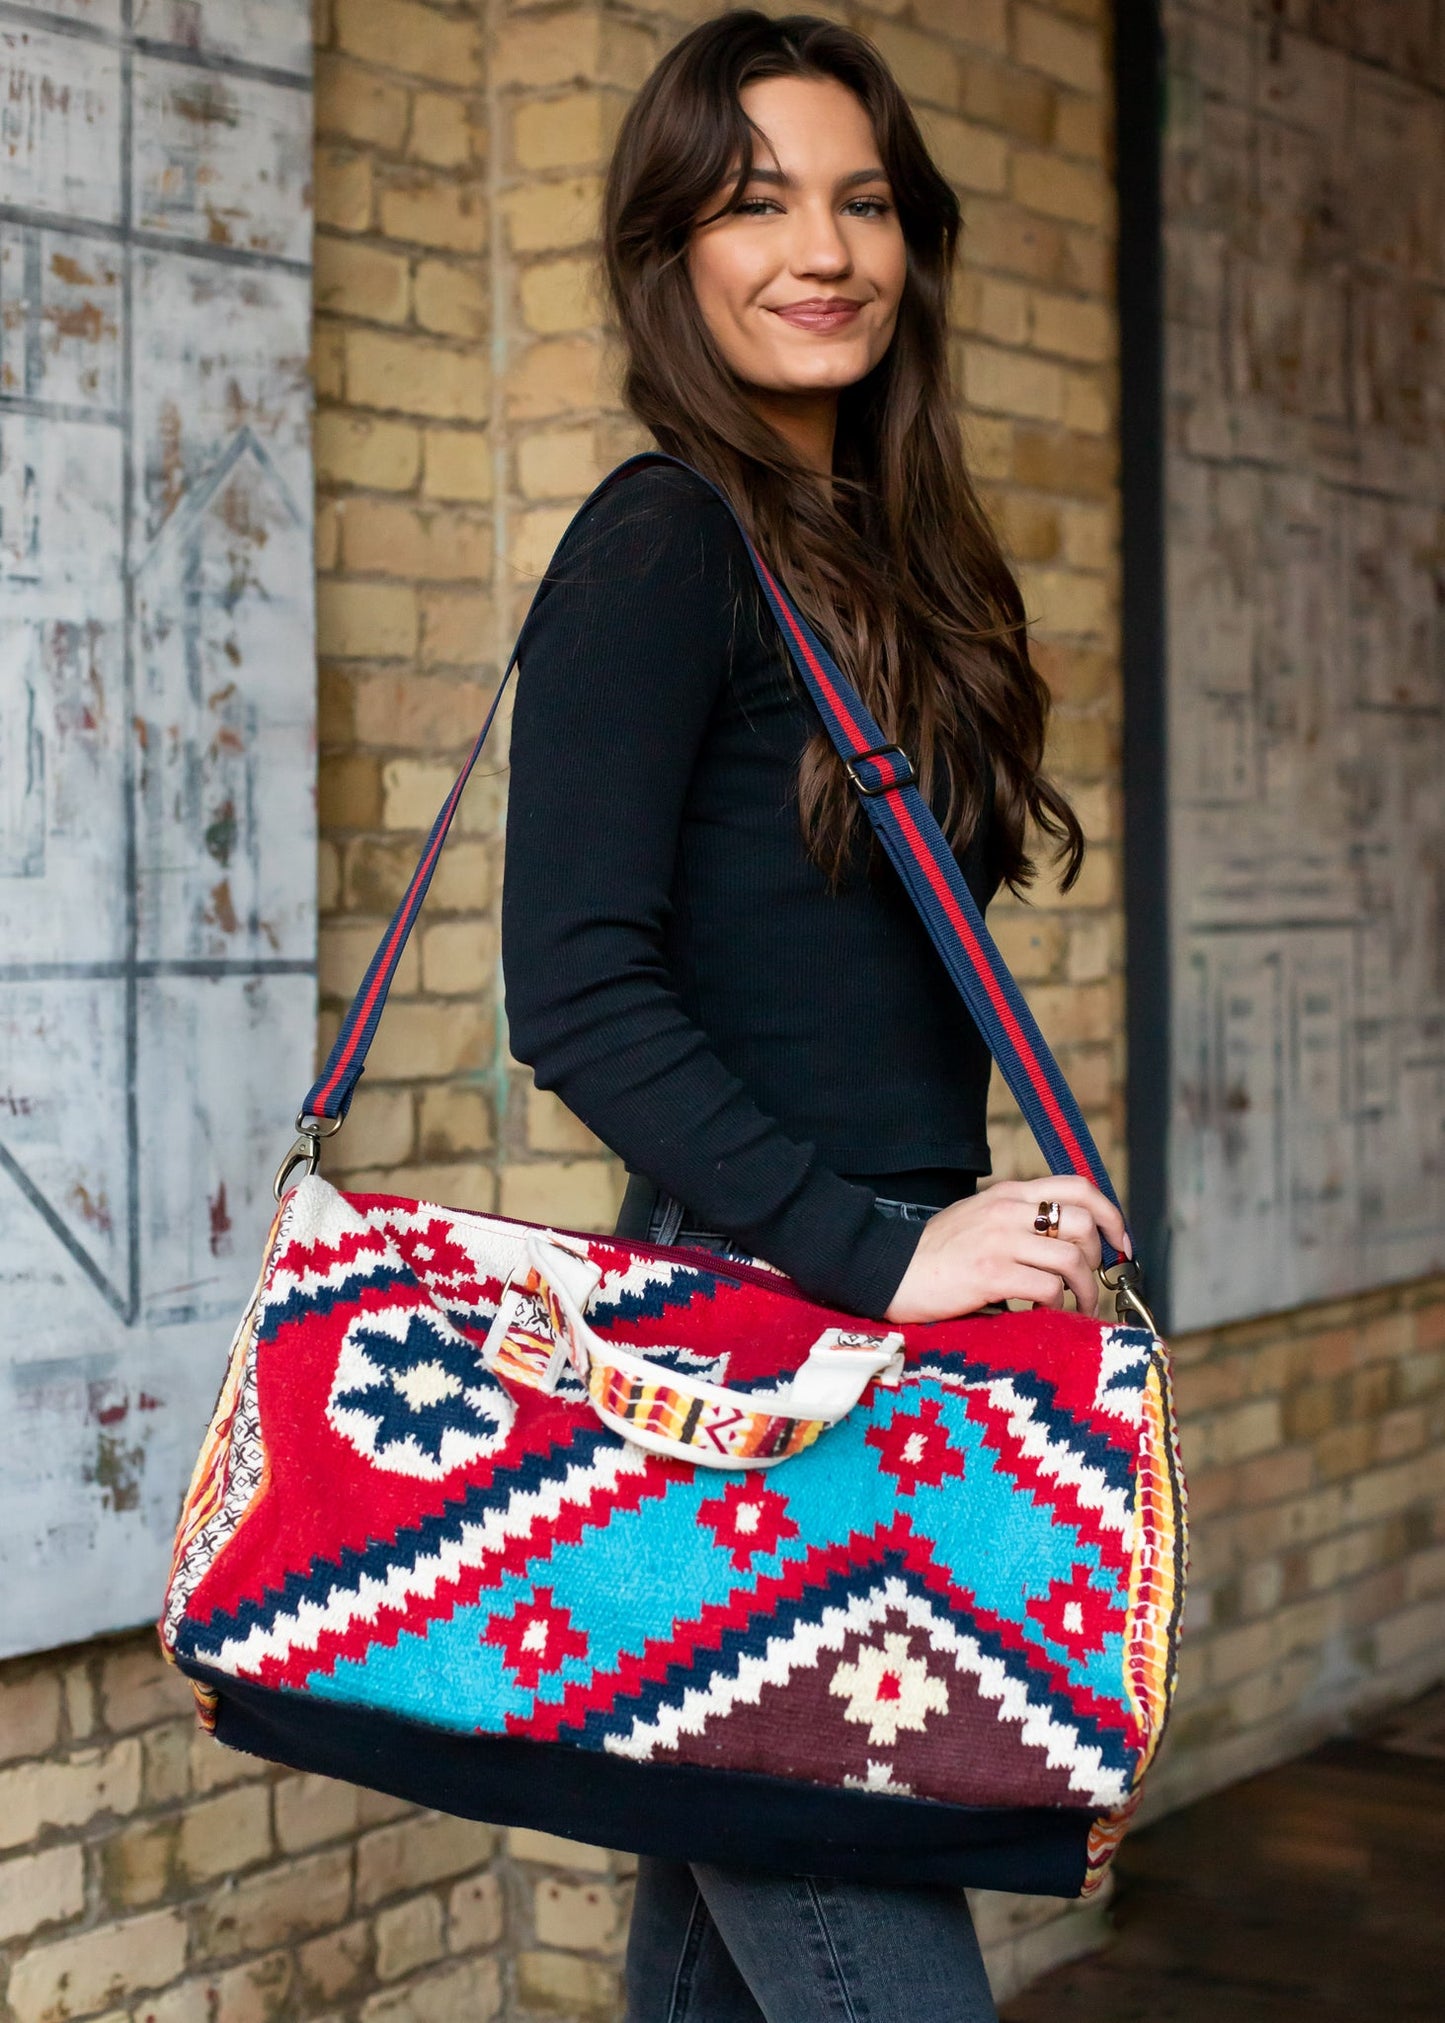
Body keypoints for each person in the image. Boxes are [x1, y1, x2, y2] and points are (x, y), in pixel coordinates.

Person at [502, 13, 1129, 2019]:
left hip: (863, 1319)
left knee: (723, 1959)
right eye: (757, 199)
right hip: (758, 1330)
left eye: (861, 199)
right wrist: (885, 1237)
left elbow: (849, 994)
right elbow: (574, 989)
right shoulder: (661, 535)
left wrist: (964, 1219)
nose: (823, 245)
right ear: (670, 249)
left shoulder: (888, 559)